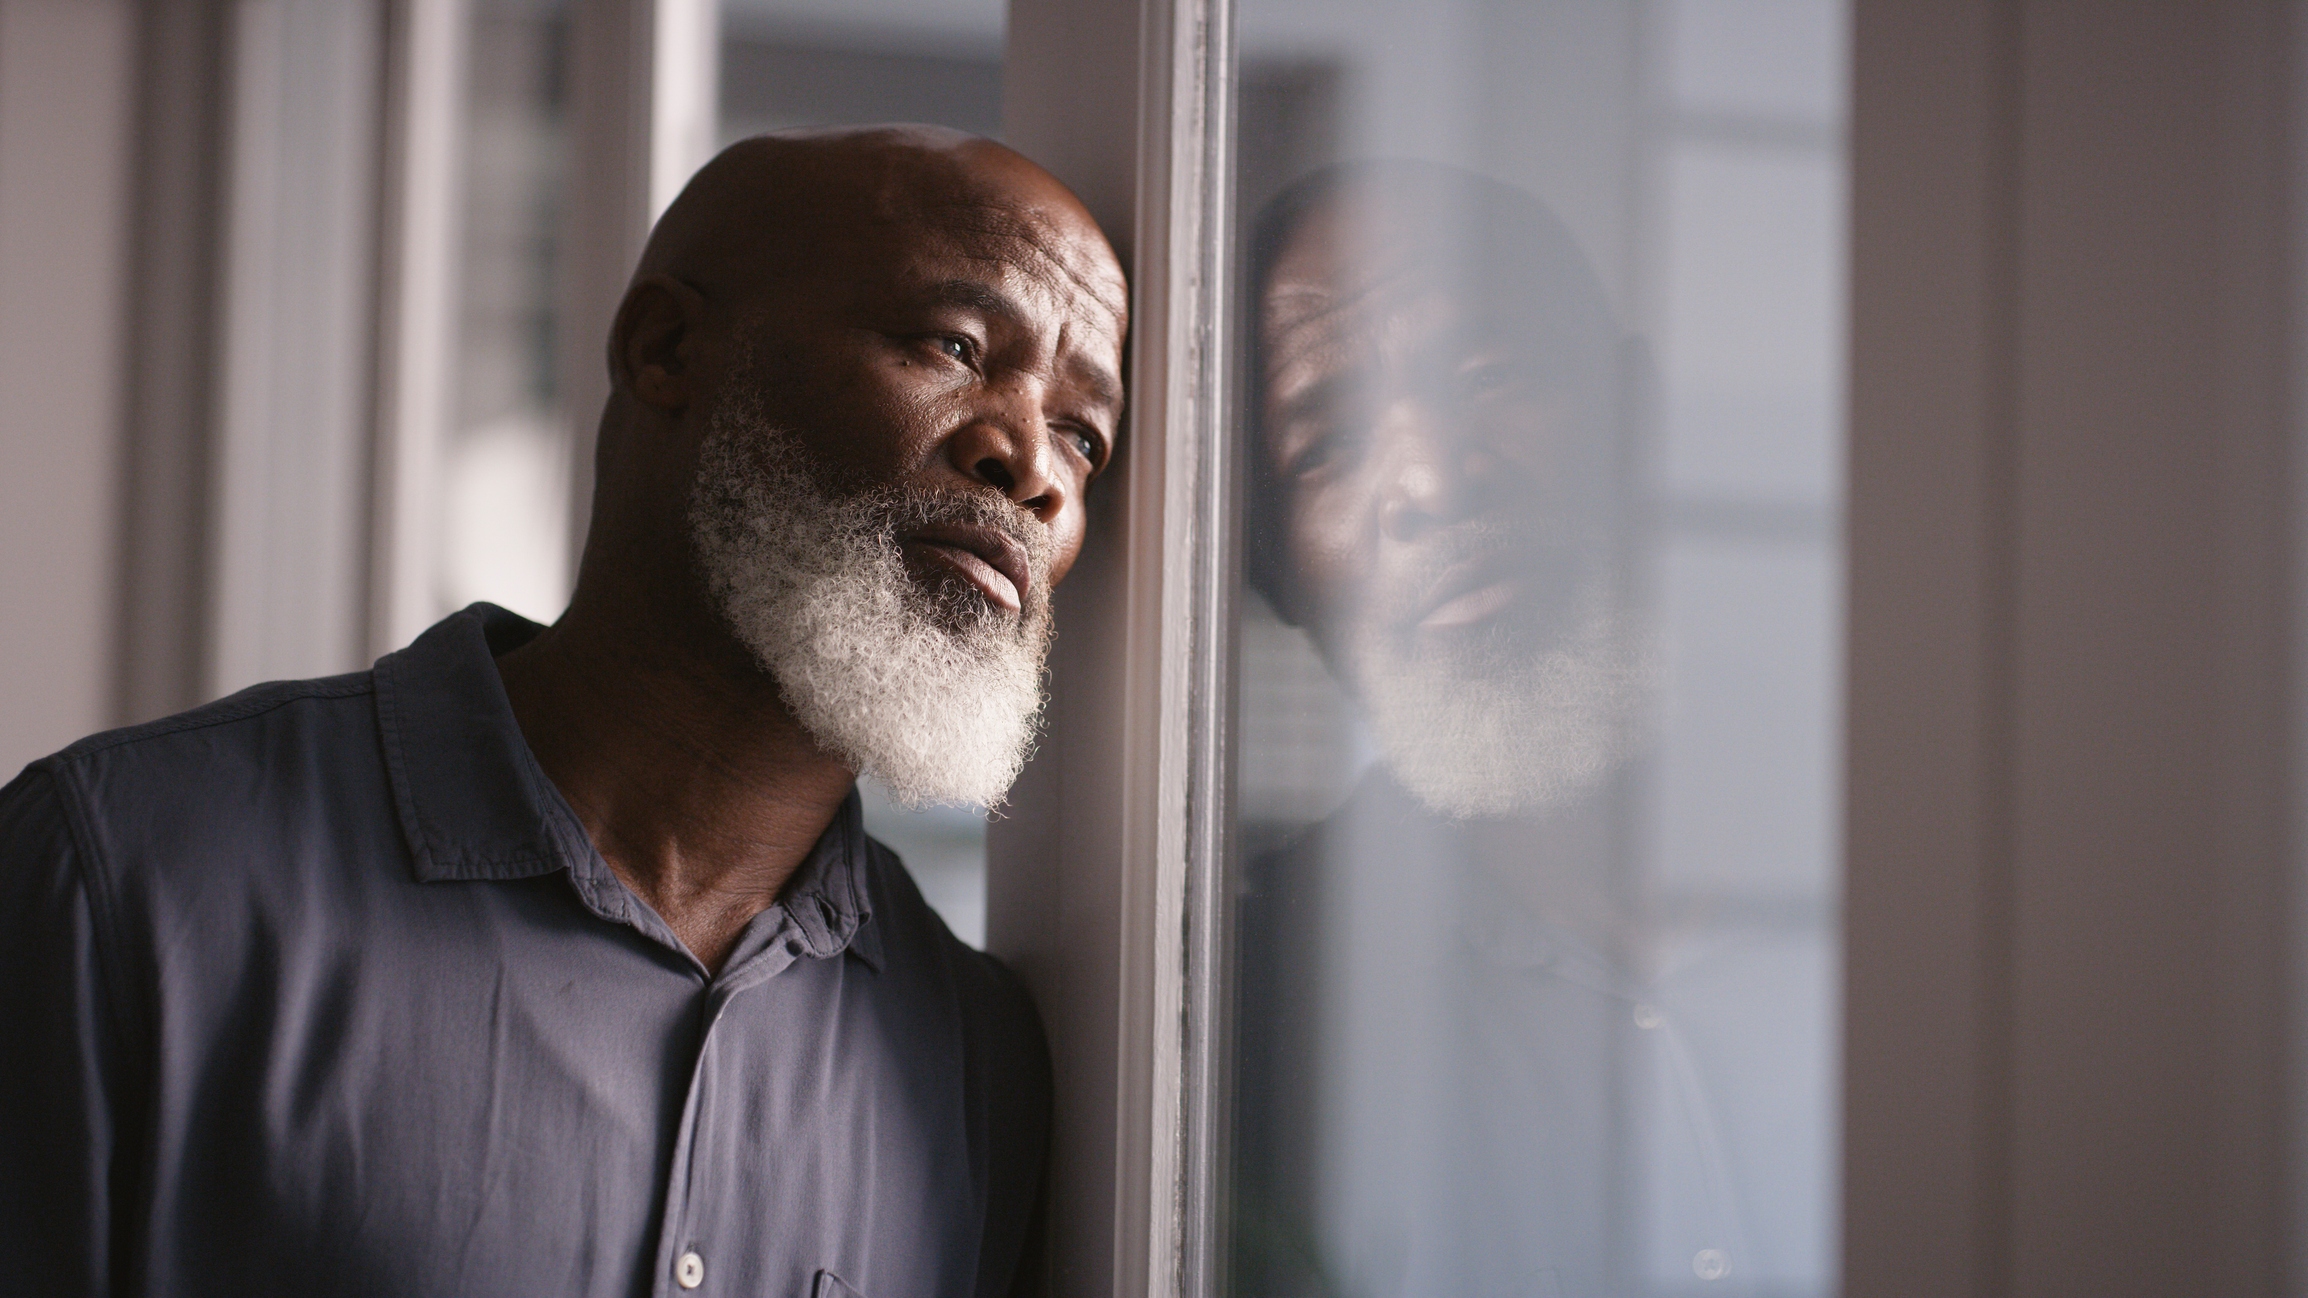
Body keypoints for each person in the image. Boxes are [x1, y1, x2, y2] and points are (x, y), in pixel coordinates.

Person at [0, 125, 1127, 1298]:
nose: (1033, 464)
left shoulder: (977, 1063)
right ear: (667, 347)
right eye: (953, 344)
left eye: (1085, 435)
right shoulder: (123, 876)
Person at [1231, 163, 1779, 1298]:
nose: (1435, 477)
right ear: (1275, 572)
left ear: (1638, 417)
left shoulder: (1961, 870)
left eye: (1493, 374)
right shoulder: (1242, 1021)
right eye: (1325, 444)